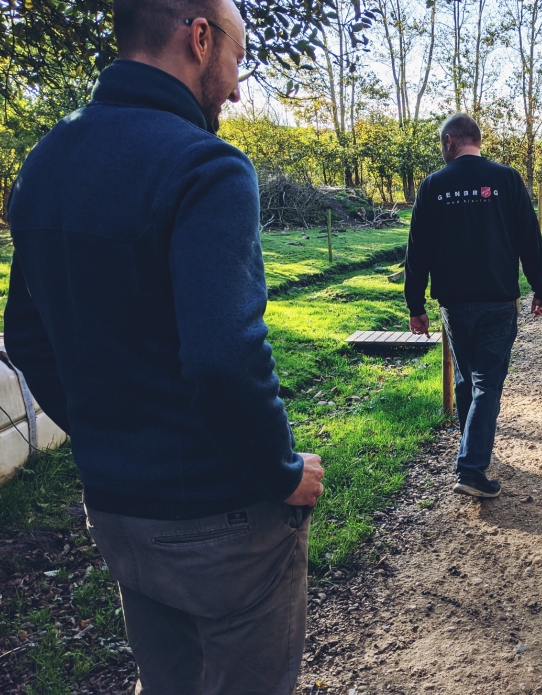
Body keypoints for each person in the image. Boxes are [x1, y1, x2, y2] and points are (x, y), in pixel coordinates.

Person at [3, 1, 325, 692]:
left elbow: (25, 337)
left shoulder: (44, 163)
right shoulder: (206, 166)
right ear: (200, 38)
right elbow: (224, 359)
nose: (236, 90)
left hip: (116, 509)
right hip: (222, 520)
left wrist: (109, 436)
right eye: (238, 60)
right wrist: (279, 472)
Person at [405, 113, 542, 498]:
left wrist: (415, 305)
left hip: (454, 305)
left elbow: (417, 252)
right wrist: (541, 288)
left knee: (467, 378)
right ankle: (471, 466)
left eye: (442, 144)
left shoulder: (433, 186)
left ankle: (471, 451)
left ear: (450, 141)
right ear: (477, 140)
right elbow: (529, 239)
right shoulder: (507, 179)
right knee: (486, 382)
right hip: (498, 300)